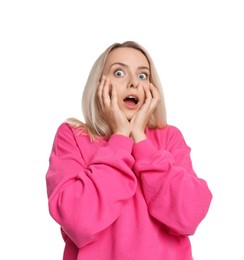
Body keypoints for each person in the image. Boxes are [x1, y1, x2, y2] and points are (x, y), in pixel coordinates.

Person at [45, 41, 212, 260]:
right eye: (119, 72)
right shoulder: (73, 135)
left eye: (143, 76)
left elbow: (189, 215)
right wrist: (120, 137)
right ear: (99, 85)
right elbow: (78, 221)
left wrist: (141, 141)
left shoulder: (169, 137)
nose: (133, 83)